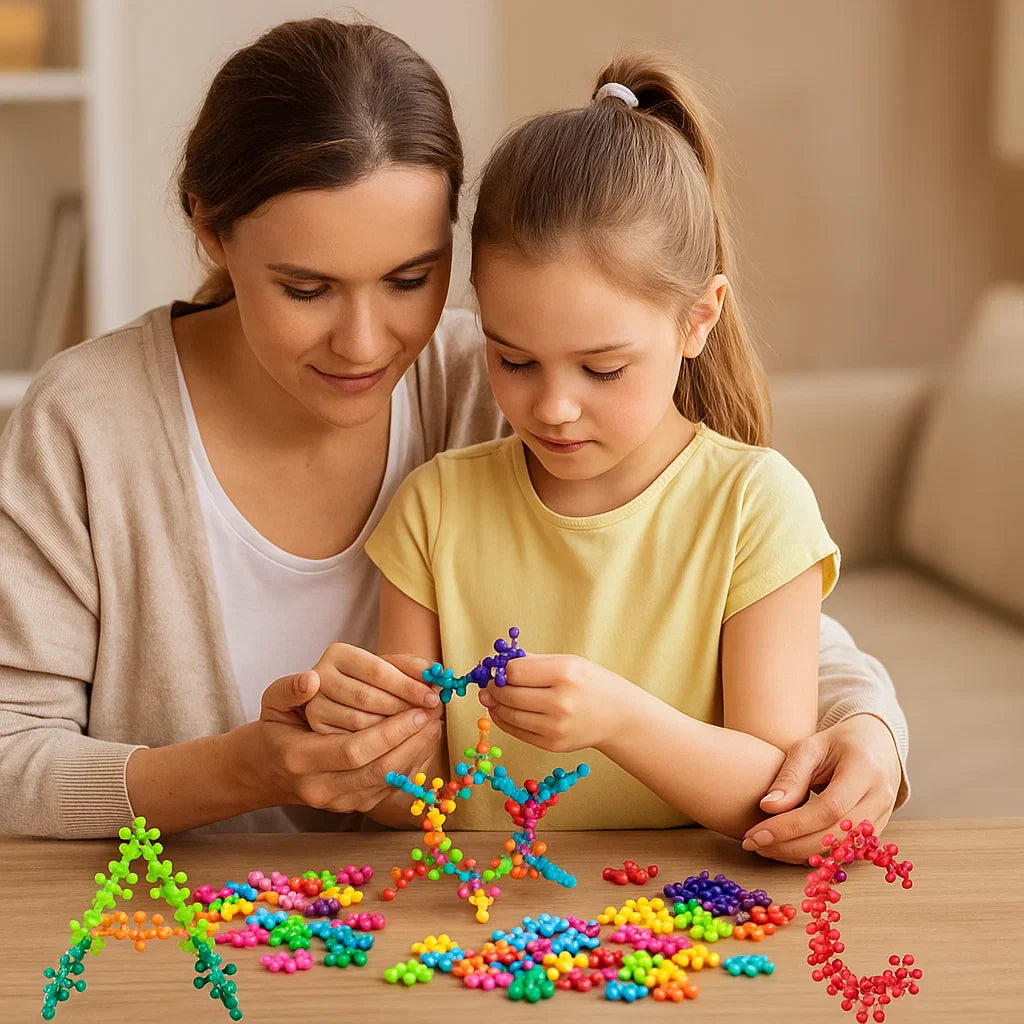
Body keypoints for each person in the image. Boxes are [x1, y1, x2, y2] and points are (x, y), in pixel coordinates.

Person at [0, 20, 906, 856]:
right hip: (164, 918)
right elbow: (10, 753)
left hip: (445, 918)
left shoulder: (505, 373)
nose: (365, 344)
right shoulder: (89, 424)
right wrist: (244, 770)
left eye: (410, 278)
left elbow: (719, 597)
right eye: (307, 289)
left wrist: (869, 729)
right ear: (209, 228)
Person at [357, 55, 901, 858]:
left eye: (603, 369)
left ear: (698, 320)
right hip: (475, 913)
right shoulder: (432, 511)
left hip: (688, 914)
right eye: (513, 359)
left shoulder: (755, 507)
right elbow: (411, 801)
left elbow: (776, 793)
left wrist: (620, 720)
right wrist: (368, 755)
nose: (553, 407)